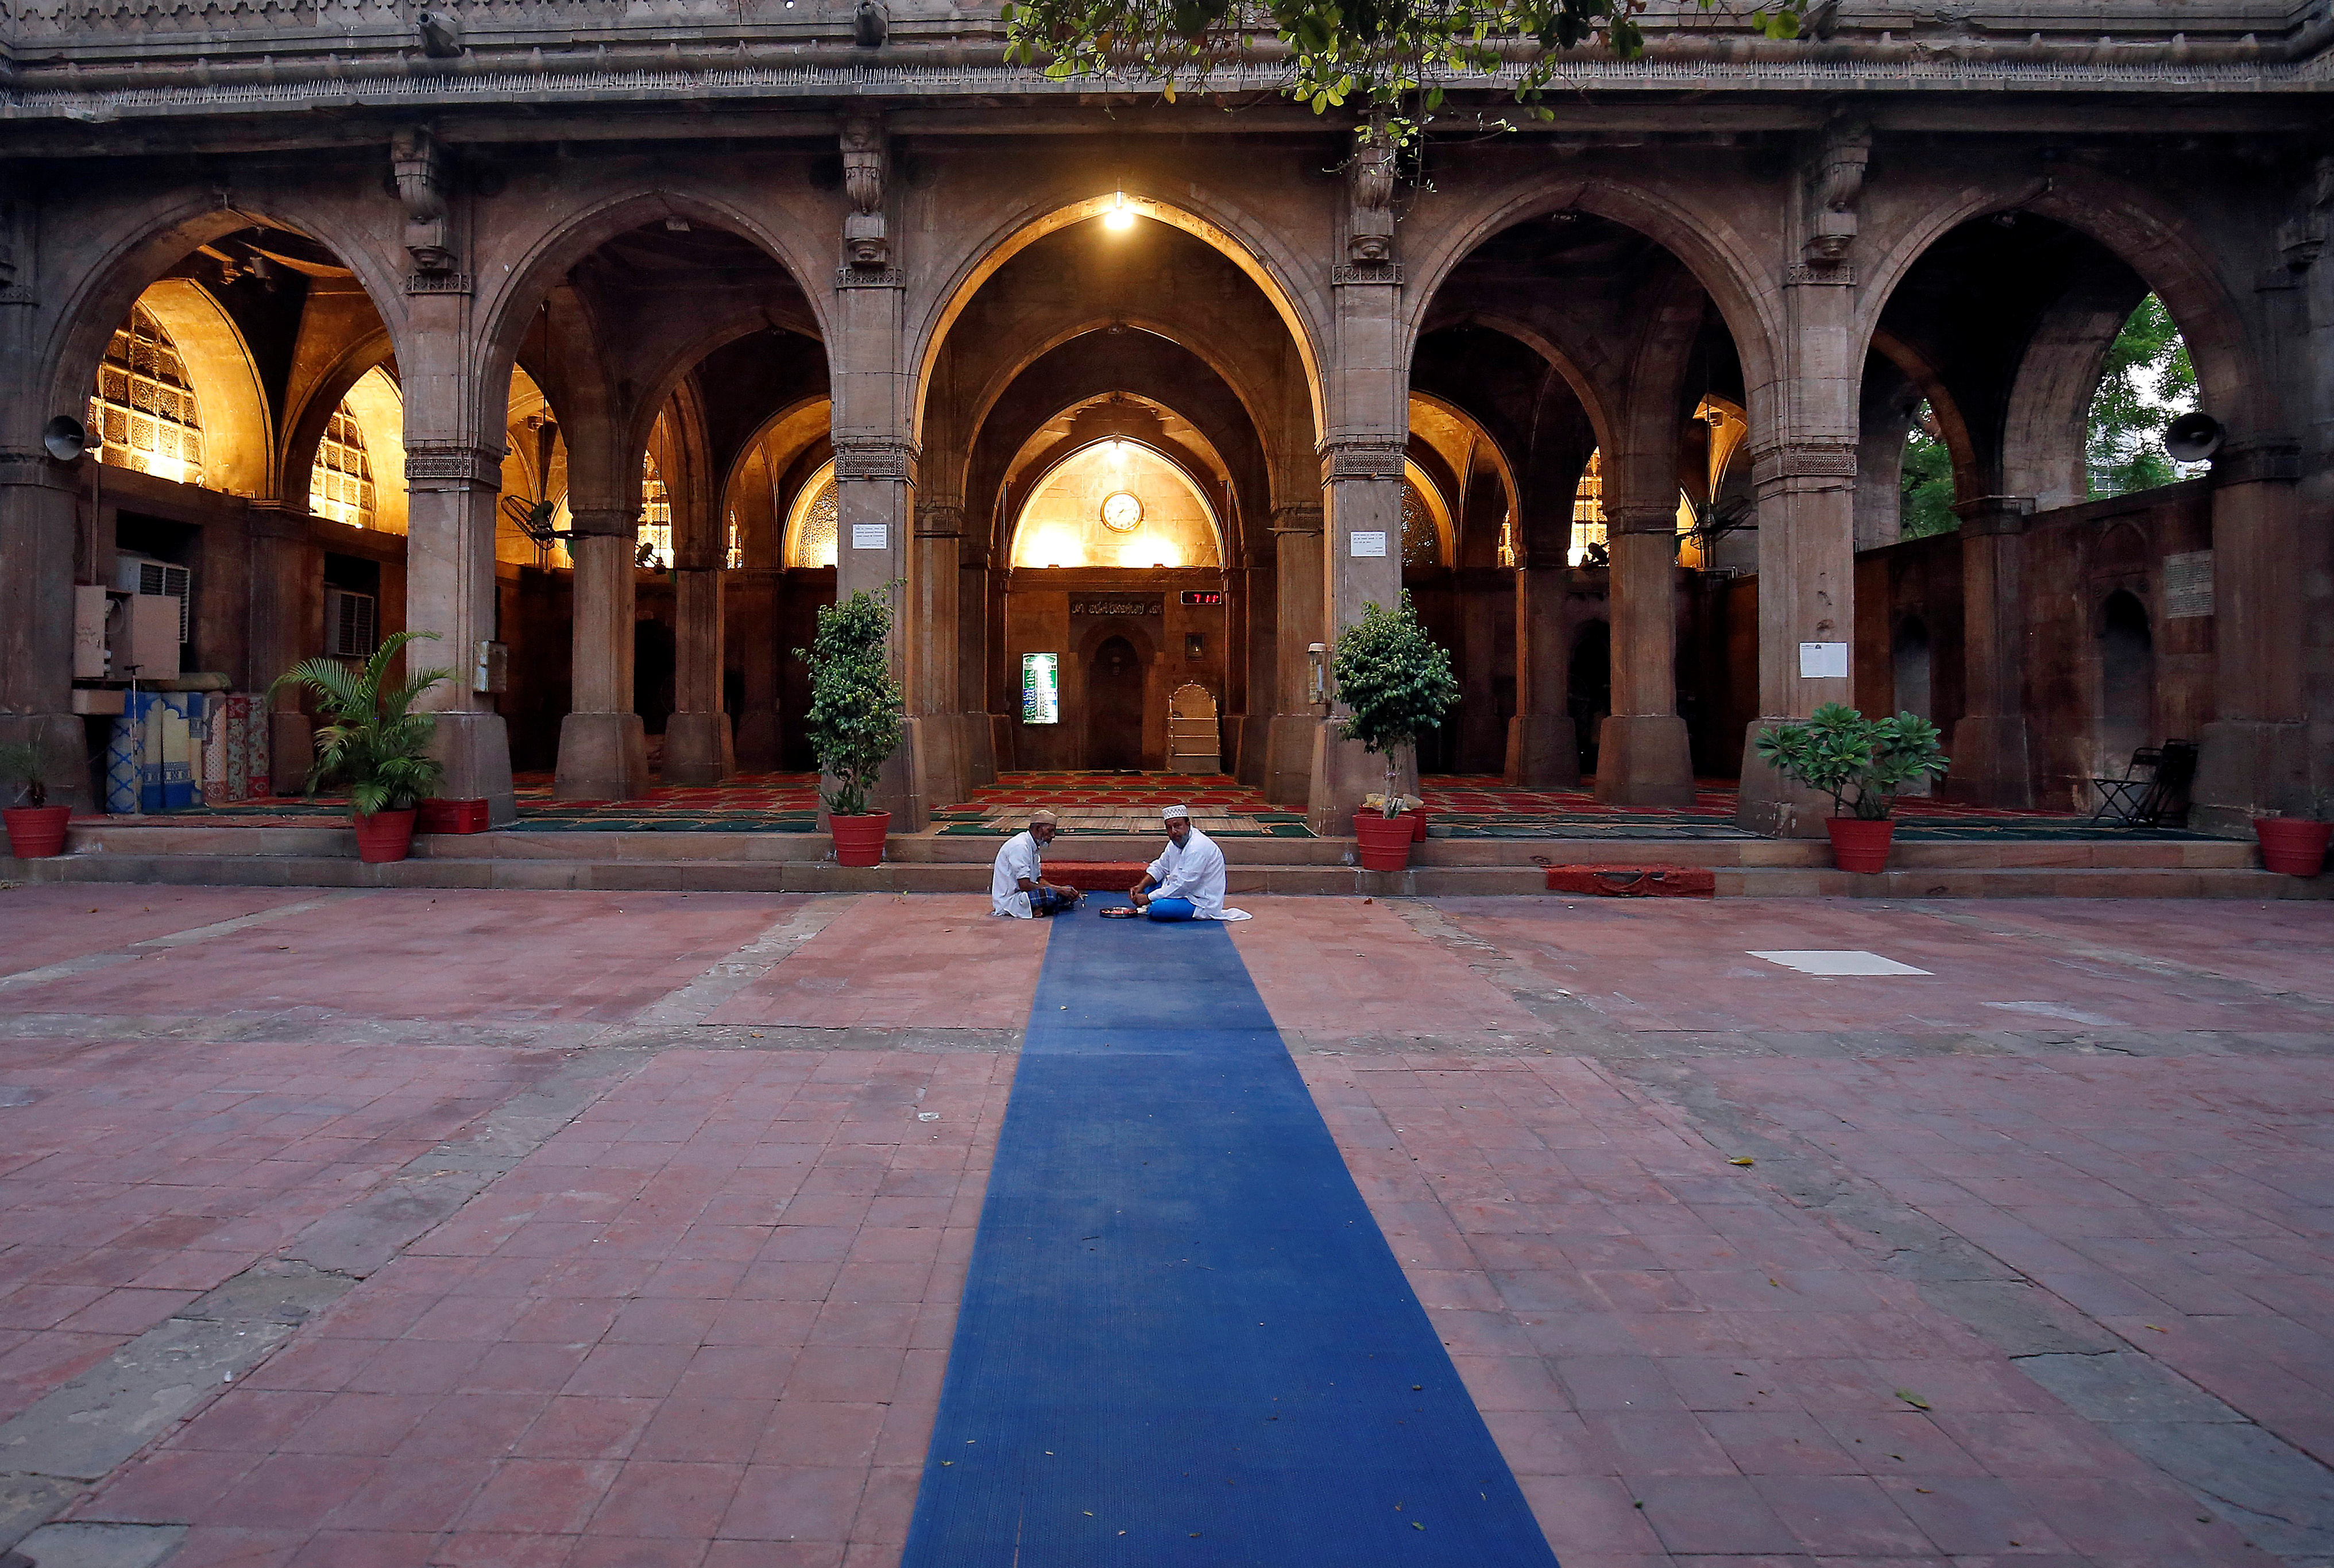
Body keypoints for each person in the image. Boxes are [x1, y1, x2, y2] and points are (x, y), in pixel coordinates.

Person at [1129, 804, 1226, 921]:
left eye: (1177, 826)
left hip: (1200, 901)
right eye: (1169, 828)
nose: (1174, 831)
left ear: (1188, 825)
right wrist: (1140, 886)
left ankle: (1155, 904)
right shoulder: (1175, 843)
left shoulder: (1198, 847)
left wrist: (1148, 898)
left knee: (1159, 909)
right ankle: (1156, 901)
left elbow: (1183, 885)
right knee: (1150, 885)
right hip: (1181, 891)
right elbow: (1161, 867)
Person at [992, 810, 1083, 918]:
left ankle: (1039, 908)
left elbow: (1038, 880)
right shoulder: (1020, 846)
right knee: (1050, 895)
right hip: (1010, 900)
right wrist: (1057, 890)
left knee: (1066, 892)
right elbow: (1025, 885)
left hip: (1025, 894)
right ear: (1038, 829)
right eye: (1050, 831)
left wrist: (1060, 889)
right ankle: (1037, 908)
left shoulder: (1033, 846)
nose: (1053, 836)